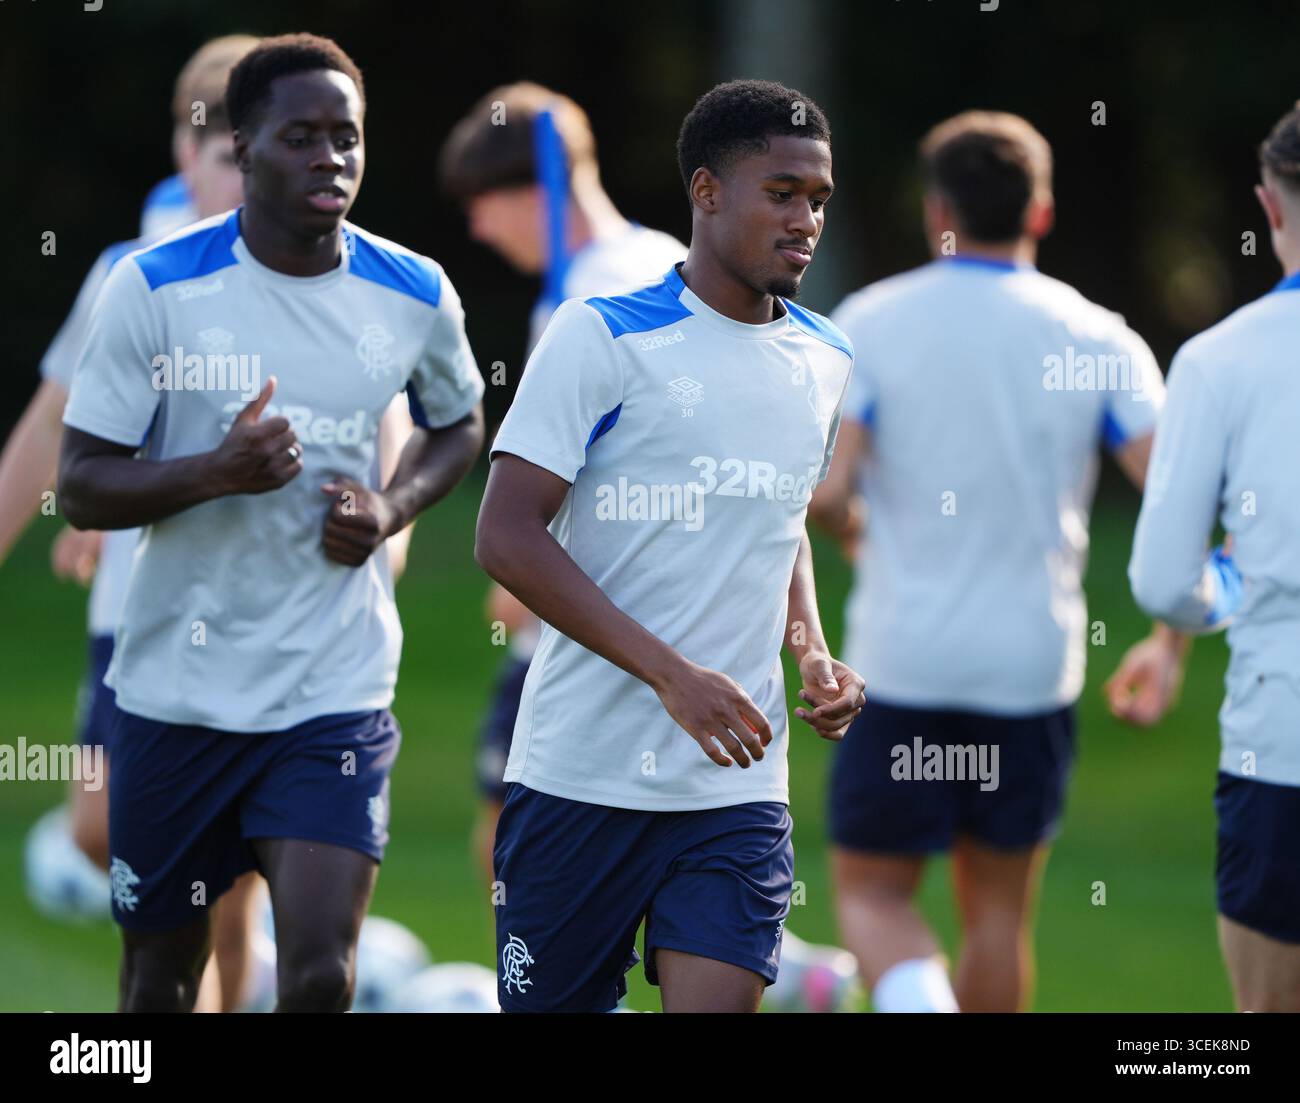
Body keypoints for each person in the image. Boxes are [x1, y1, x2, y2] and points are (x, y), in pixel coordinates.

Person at [57, 32, 484, 1012]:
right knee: (159, 980)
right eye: (300, 136)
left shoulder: (412, 290)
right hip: (174, 696)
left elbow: (457, 421)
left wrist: (390, 505)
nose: (330, 157)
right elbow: (80, 483)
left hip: (329, 691)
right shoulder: (154, 287)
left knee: (320, 970)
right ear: (242, 149)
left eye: (347, 135)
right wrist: (216, 471)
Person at [476, 78, 863, 1013]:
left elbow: (779, 525)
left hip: (733, 791)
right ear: (706, 191)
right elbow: (505, 534)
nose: (804, 218)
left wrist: (811, 652)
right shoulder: (601, 336)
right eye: (781, 193)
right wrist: (670, 674)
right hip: (579, 779)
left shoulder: (824, 357)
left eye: (817, 198)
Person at [810, 111, 1185, 1012]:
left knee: (873, 893)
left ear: (937, 207)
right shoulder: (1101, 337)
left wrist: (858, 533)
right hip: (1029, 672)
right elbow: (1179, 500)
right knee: (998, 918)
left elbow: (825, 494)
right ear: (1042, 211)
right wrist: (1169, 641)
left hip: (904, 661)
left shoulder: (873, 321)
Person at [439, 81, 686, 882]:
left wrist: (520, 576)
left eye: (484, 202)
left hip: (578, 620)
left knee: (515, 846)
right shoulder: (672, 261)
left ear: (534, 190)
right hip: (681, 608)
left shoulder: (582, 297)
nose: (477, 226)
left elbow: (568, 459)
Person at [1128, 101, 1300, 1013]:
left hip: (1285, 746)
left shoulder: (1219, 358)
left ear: (1271, 209)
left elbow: (1162, 578)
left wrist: (1226, 586)